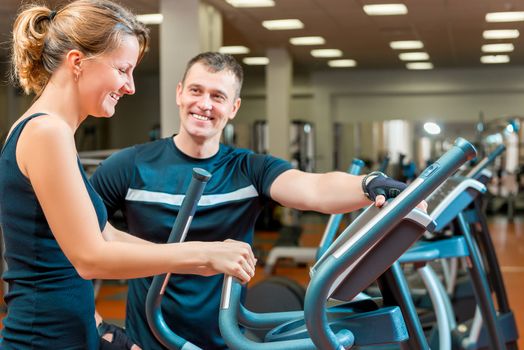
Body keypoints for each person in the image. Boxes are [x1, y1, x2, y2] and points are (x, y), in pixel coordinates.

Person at [90, 52, 421, 349]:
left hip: (226, 339)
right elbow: (70, 241)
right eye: (196, 90)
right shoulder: (129, 166)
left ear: (233, 108)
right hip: (145, 340)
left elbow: (313, 189)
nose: (204, 104)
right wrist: (100, 327)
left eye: (218, 96)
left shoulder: (248, 169)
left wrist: (370, 184)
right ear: (179, 93)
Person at [0, 3, 256, 350]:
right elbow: (90, 257)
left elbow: (104, 235)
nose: (130, 86)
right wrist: (202, 254)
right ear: (77, 62)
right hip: (44, 340)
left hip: (76, 331)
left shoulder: (51, 132)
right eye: (123, 69)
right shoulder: (47, 132)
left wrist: (200, 262)